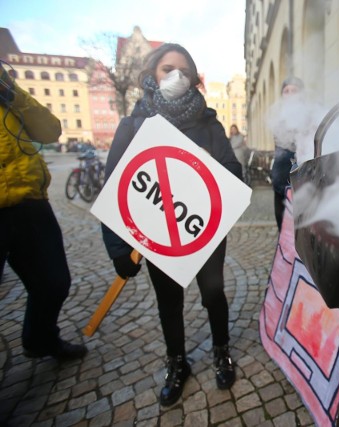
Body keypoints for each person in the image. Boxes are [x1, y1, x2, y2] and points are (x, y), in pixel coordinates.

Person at [101, 44, 243, 406]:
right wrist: (119, 247)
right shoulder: (134, 124)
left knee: (213, 294)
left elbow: (233, 173)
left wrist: (211, 164)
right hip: (159, 236)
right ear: (152, 73)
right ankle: (177, 362)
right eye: (168, 68)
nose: (176, 76)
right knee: (169, 301)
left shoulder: (209, 124)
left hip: (204, 232)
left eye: (184, 70)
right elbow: (115, 185)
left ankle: (221, 349)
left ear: (194, 80)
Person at [0, 62, 88, 361]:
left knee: (55, 280)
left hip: (30, 201)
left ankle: (41, 338)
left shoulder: (9, 92)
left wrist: (12, 93)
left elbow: (50, 130)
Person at [268, 77, 305, 231]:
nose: (290, 94)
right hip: (281, 177)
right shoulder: (279, 118)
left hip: (303, 178)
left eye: (294, 90)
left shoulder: (308, 115)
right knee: (282, 224)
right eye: (286, 91)